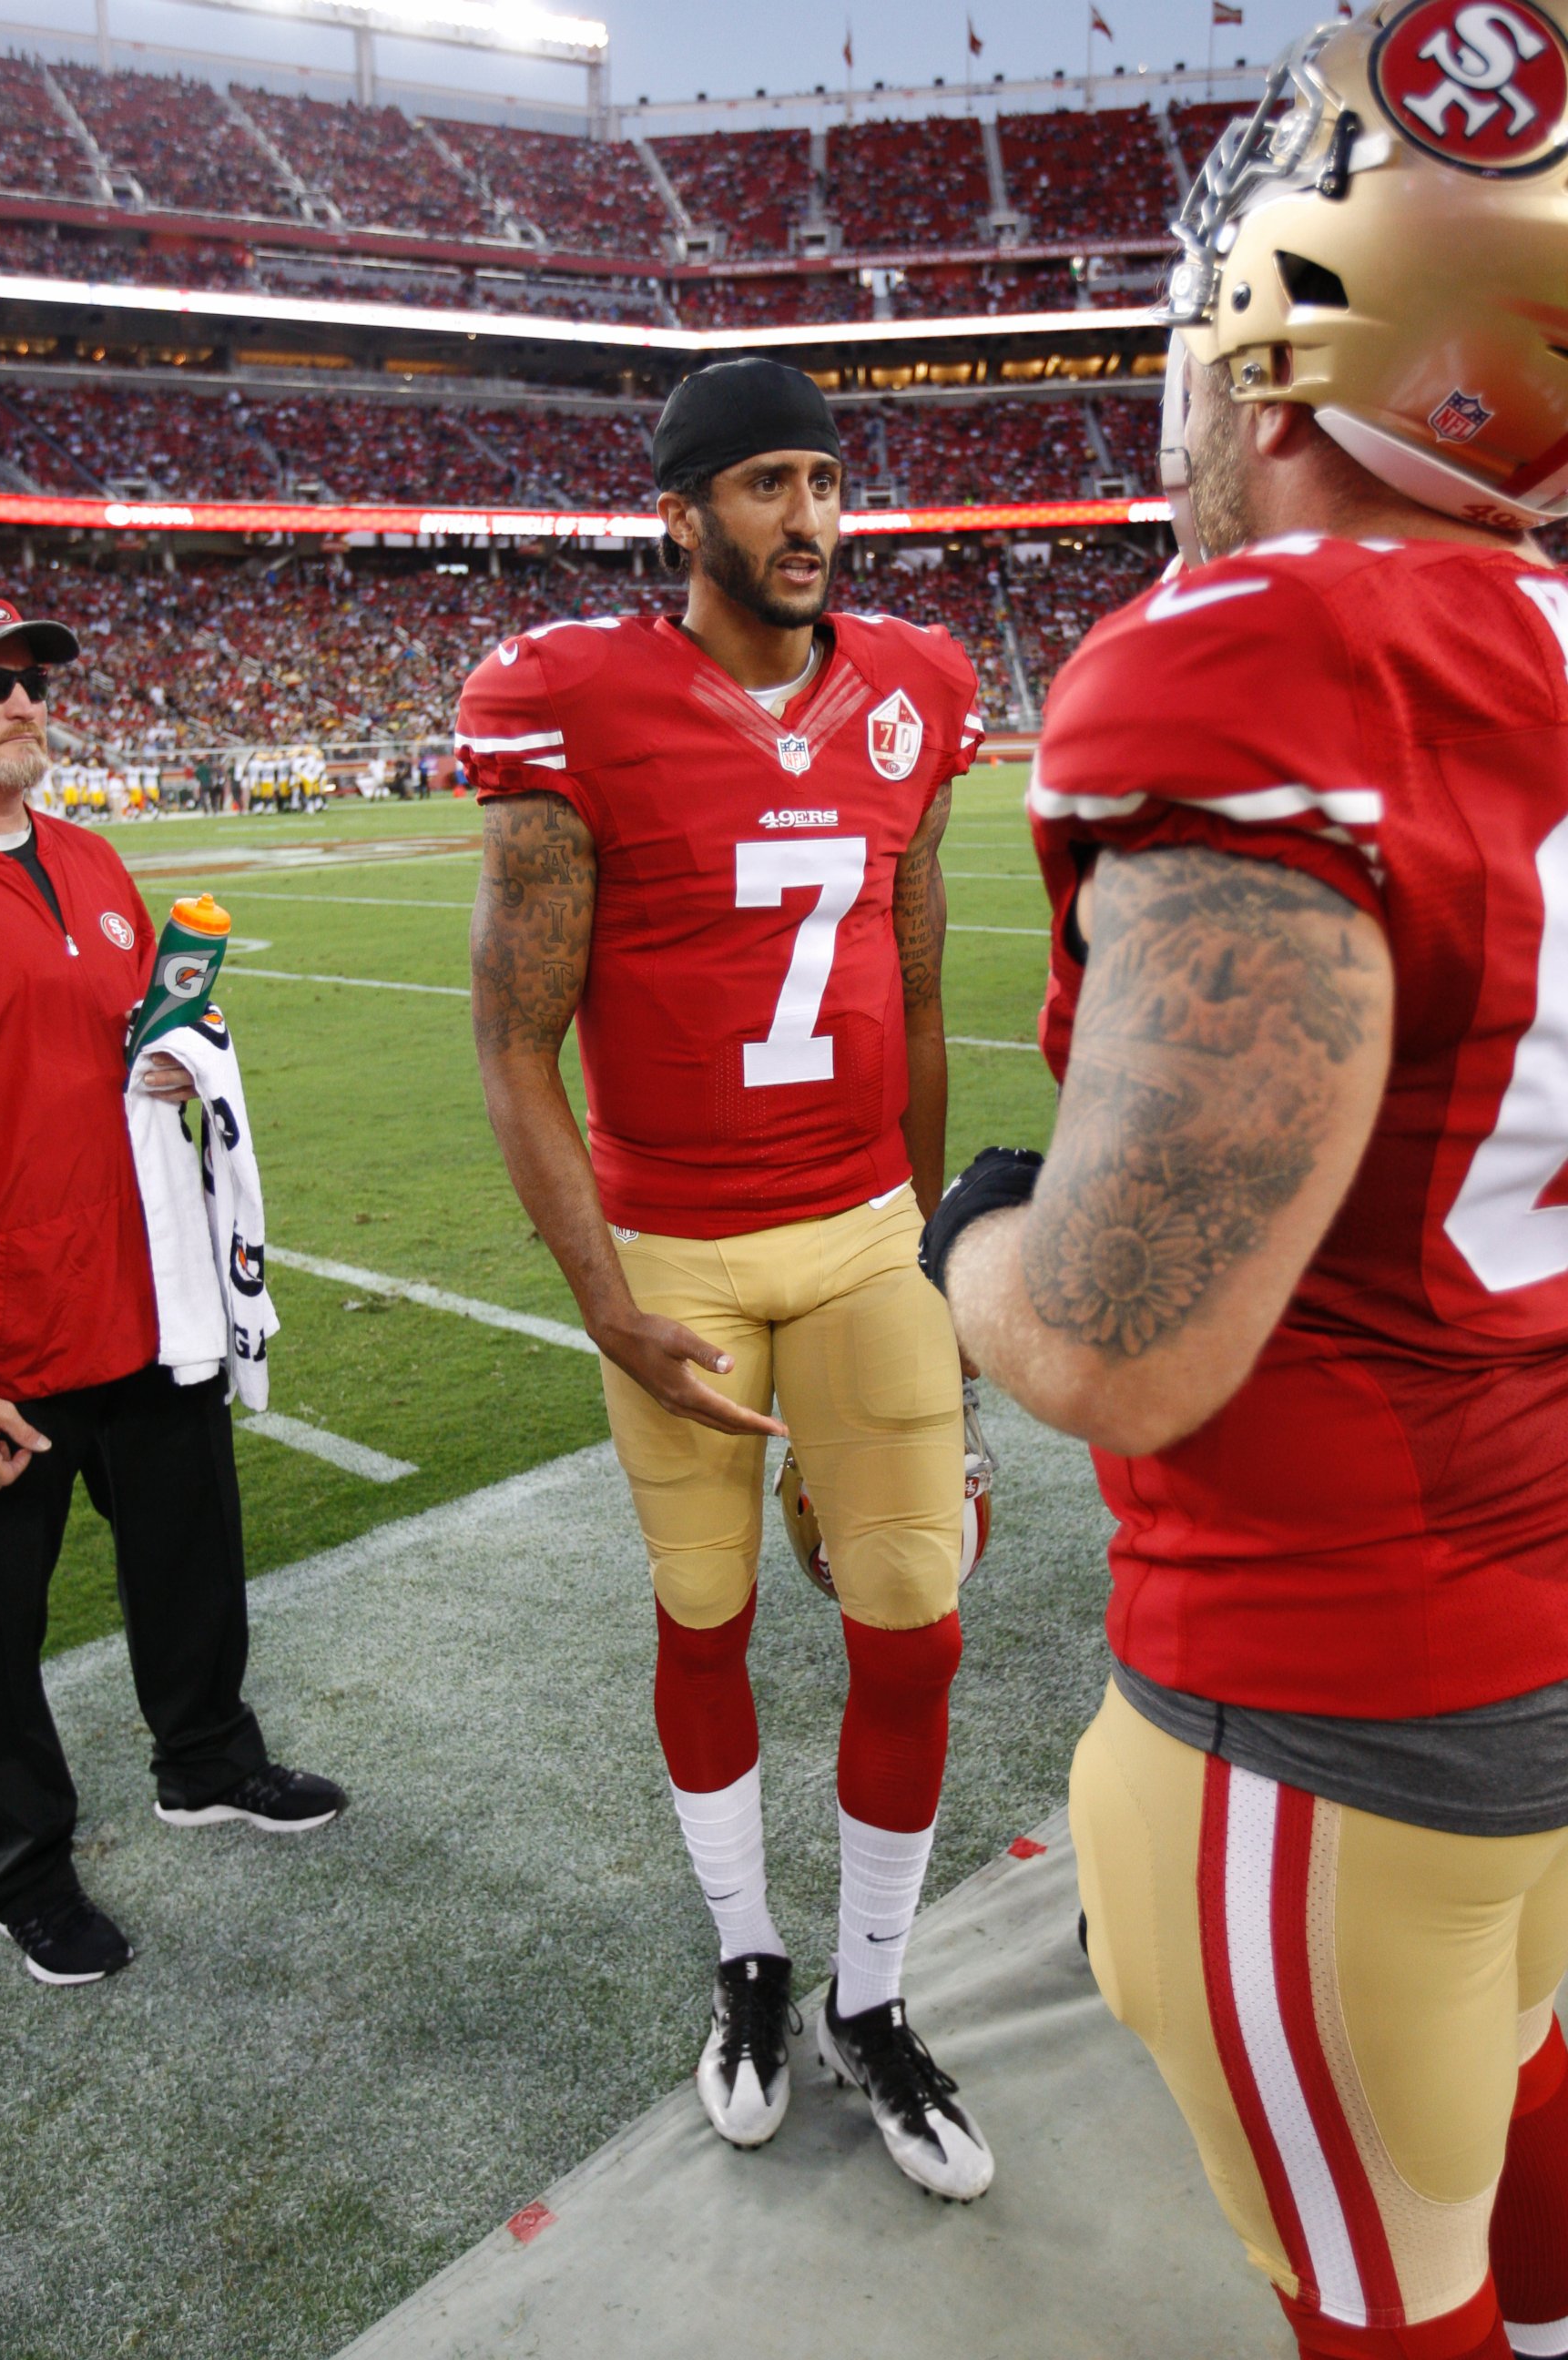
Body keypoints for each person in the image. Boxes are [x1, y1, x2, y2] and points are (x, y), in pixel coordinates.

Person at [923, 11, 1568, 2355]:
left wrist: (972, 1229)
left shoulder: (1269, 660)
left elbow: (1120, 1342)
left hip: (1326, 1689)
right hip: (1540, 1612)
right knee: (1512, 2145)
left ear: (1289, 351)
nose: (1176, 399)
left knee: (1388, 2307)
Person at [459, 358, 994, 2201]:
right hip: (671, 1239)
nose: (811, 519)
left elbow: (918, 995)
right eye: (767, 484)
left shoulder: (918, 687)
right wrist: (606, 1300)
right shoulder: (571, 700)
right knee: (704, 1610)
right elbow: (513, 1043)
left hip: (857, 1225)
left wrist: (924, 1259)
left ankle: (872, 1990)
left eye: (829, 481)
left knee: (911, 1617)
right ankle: (749, 1958)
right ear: (679, 511)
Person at [0, 595, 345, 1989]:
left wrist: (184, 1048)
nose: (24, 700)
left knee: (191, 1558)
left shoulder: (93, 860)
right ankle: (23, 1866)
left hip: (149, 1299)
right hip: (13, 1334)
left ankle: (203, 1761)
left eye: (34, 679)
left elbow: (157, 1042)